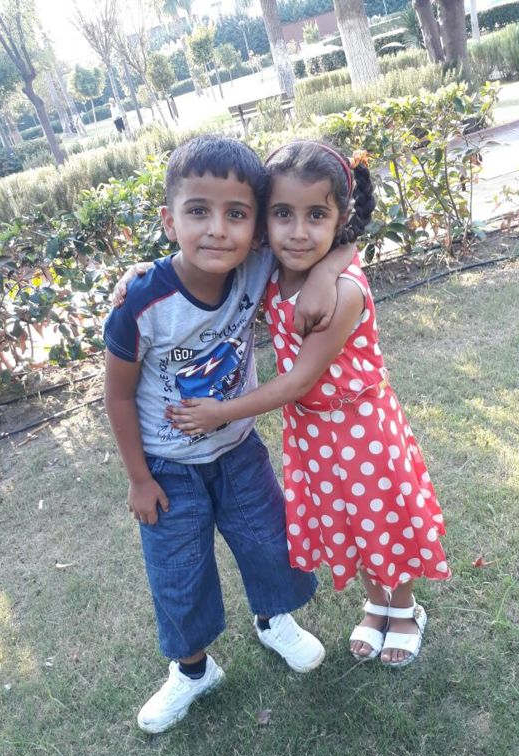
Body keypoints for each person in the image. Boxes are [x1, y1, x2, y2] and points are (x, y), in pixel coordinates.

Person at [104, 135, 353, 734]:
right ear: (169, 221)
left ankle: (274, 620)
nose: (218, 230)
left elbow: (342, 234)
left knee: (269, 541)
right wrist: (138, 479)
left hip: (239, 449)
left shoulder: (256, 265)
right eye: (198, 211)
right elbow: (117, 395)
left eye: (237, 214)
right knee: (178, 573)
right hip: (167, 467)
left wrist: (326, 273)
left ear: (256, 225)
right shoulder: (141, 302)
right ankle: (192, 671)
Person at [168, 141, 451, 668]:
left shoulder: (344, 291)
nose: (298, 232)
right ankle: (376, 603)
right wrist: (142, 275)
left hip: (363, 429)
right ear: (264, 219)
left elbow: (299, 381)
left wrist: (220, 412)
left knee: (382, 520)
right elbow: (196, 264)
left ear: (339, 217)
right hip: (314, 435)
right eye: (283, 214)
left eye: (316, 215)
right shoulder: (270, 270)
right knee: (350, 521)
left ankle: (405, 608)